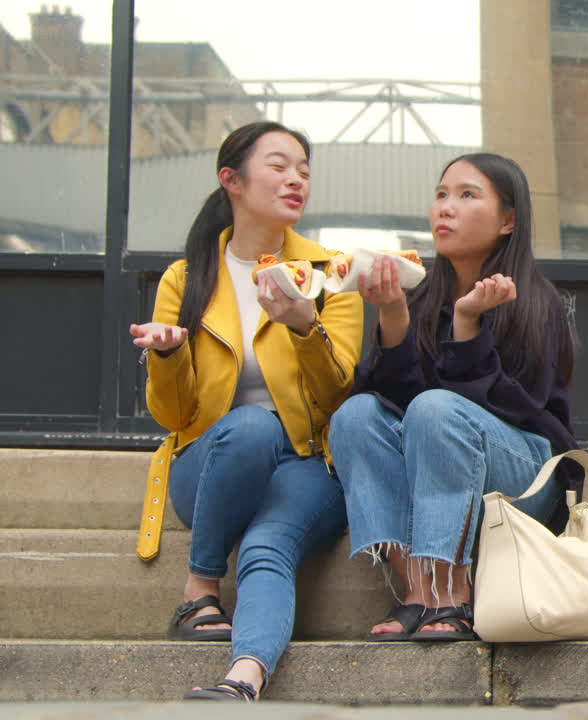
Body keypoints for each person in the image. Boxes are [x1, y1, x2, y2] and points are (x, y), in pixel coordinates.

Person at [129, 121, 363, 701]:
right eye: (280, 166)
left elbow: (339, 393)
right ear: (230, 180)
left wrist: (305, 327)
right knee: (252, 427)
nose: (296, 180)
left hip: (308, 463)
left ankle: (244, 679)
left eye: (305, 170)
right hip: (211, 467)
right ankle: (200, 584)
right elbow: (173, 415)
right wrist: (169, 356)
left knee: (266, 548)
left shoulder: (332, 275)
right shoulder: (186, 279)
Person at [329, 152, 577, 641]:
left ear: (508, 220)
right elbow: (397, 408)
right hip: (443, 463)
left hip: (525, 476)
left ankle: (453, 591)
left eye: (467, 195)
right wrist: (394, 317)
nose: (446, 207)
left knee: (437, 408)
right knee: (356, 415)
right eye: (441, 194)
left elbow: (518, 410)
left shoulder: (535, 301)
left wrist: (468, 328)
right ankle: (419, 590)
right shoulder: (419, 295)